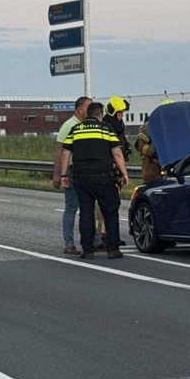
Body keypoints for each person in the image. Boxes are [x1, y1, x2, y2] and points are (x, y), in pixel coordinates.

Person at [60, 101, 129, 260]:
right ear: (100, 115)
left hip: (82, 178)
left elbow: (65, 153)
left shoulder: (75, 129)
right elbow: (117, 153)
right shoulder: (106, 129)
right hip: (104, 177)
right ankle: (112, 249)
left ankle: (88, 251)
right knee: (110, 212)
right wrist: (124, 173)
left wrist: (64, 175)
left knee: (86, 212)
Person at [53, 97, 103, 255]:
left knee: (87, 207)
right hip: (72, 171)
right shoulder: (69, 126)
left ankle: (95, 240)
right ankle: (69, 243)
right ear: (80, 109)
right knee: (71, 207)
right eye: (88, 107)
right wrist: (58, 175)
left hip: (85, 172)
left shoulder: (86, 125)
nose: (91, 109)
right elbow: (60, 152)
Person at [97, 97, 131, 243]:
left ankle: (111, 234)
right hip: (105, 170)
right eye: (120, 113)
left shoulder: (118, 127)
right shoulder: (105, 126)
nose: (122, 115)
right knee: (103, 203)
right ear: (112, 112)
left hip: (115, 170)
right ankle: (101, 234)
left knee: (114, 203)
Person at [134, 99, 172, 183]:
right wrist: (153, 152)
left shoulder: (176, 127)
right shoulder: (150, 125)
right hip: (152, 167)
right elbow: (139, 144)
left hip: (171, 165)